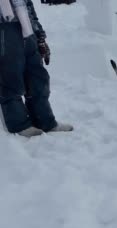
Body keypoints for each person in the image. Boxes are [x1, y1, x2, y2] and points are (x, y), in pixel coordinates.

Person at [0, 0, 73, 137]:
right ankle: (19, 125)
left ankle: (45, 121)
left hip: (27, 30)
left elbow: (29, 7)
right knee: (10, 80)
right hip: (5, 31)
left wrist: (40, 37)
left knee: (38, 78)